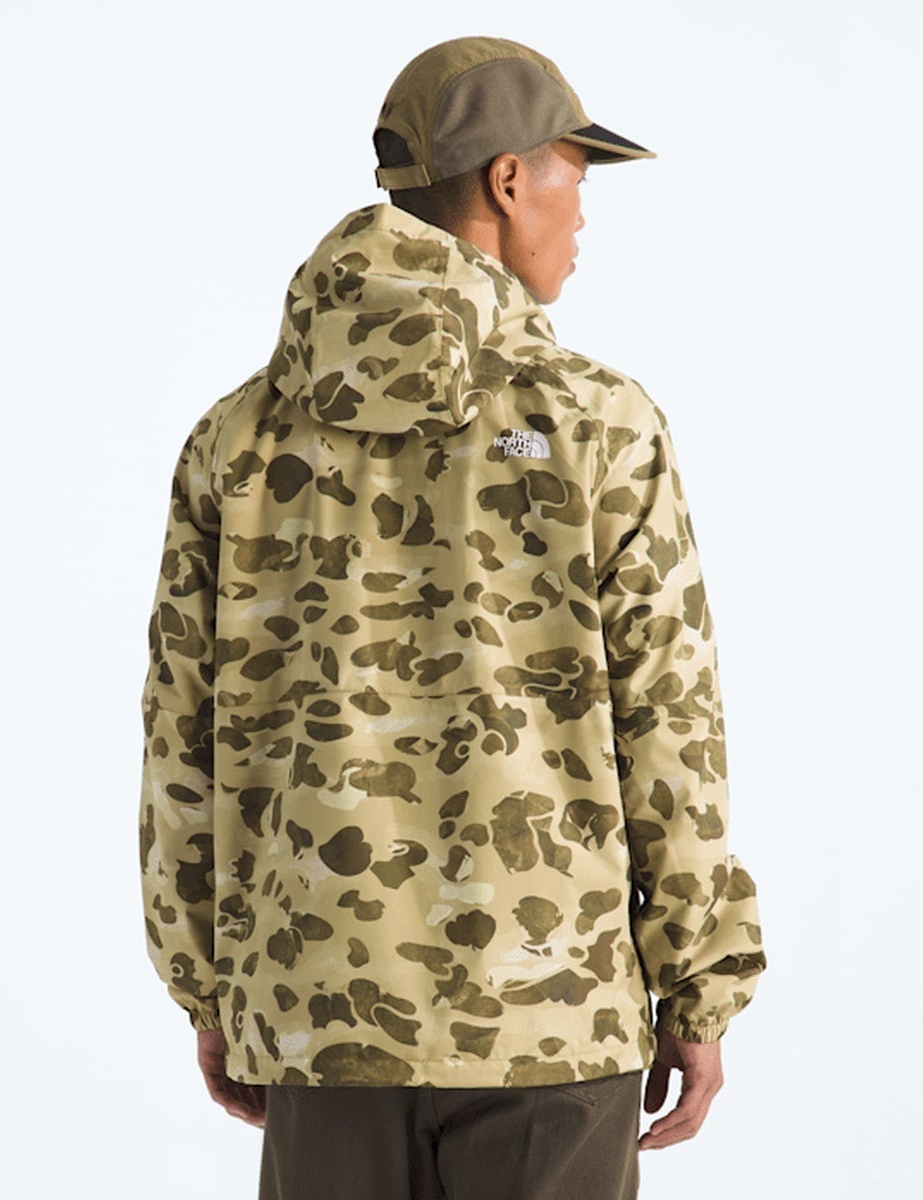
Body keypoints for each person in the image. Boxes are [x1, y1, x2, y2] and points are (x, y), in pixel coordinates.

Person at [138, 34, 767, 1200]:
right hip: (554, 1019)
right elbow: (671, 722)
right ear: (509, 179)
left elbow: (184, 735)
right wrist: (700, 982)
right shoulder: (599, 423)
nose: (584, 208)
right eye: (576, 169)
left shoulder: (237, 441)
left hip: (319, 1008)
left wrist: (210, 985)